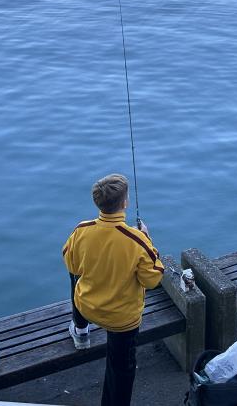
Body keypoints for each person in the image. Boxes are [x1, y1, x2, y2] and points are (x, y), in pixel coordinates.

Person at [63, 174, 165, 405]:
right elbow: (152, 280)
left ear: (97, 203)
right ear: (125, 203)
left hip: (88, 307)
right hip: (122, 320)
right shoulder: (137, 240)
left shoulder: (81, 230)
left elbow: (72, 265)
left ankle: (81, 330)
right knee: (120, 369)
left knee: (75, 274)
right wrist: (149, 242)